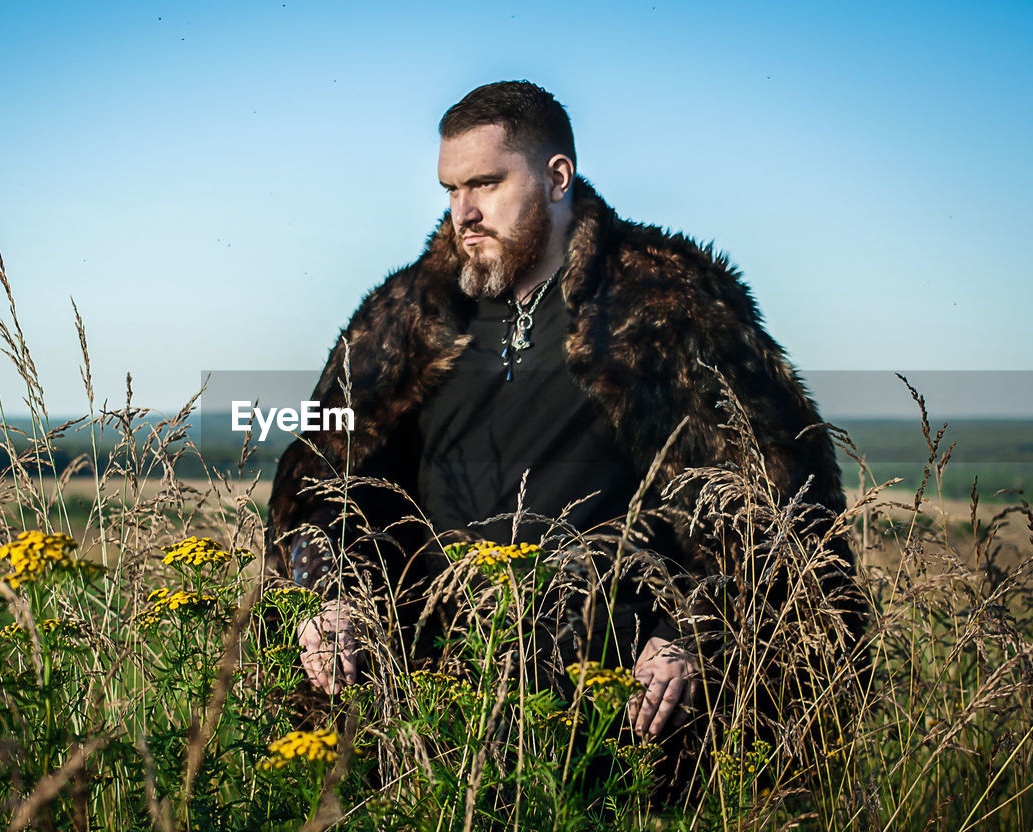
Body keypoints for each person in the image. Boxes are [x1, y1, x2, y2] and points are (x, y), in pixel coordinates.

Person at [266, 80, 859, 744]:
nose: (463, 212)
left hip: (620, 716)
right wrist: (333, 594)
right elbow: (322, 479)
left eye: (485, 184)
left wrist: (694, 629)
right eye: (450, 190)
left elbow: (779, 491)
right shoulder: (406, 317)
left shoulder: (665, 302)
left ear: (556, 178)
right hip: (436, 716)